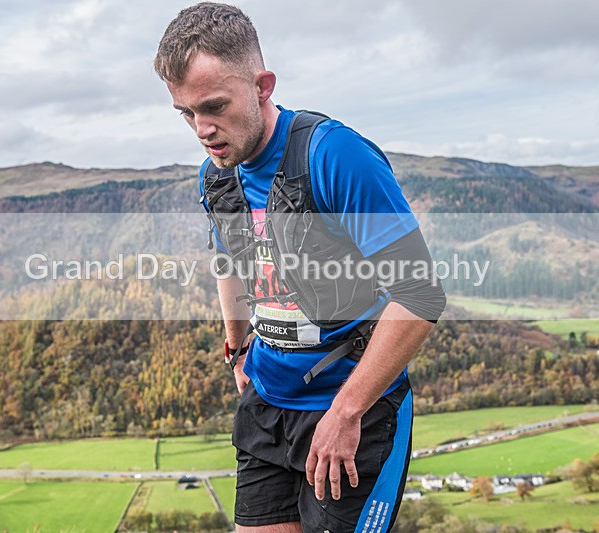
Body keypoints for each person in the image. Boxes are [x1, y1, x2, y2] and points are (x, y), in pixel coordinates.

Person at [154, 4, 446, 532]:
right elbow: (230, 260)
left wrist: (346, 412)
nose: (202, 129)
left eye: (214, 107)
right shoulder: (216, 174)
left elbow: (420, 295)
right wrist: (238, 347)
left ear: (262, 86)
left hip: (352, 413)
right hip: (266, 405)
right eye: (186, 113)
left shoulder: (334, 155)